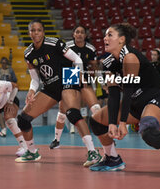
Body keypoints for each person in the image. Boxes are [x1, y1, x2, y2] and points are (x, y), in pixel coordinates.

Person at [88, 23, 160, 179]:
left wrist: (122, 123)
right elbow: (115, 95)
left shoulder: (130, 57)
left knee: (148, 130)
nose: (105, 38)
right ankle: (112, 158)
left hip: (155, 98)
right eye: (105, 35)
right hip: (135, 103)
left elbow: (128, 91)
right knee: (96, 121)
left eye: (110, 35)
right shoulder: (109, 62)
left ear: (122, 40)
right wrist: (111, 122)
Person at [15, 19, 101, 166]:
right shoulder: (28, 53)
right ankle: (32, 152)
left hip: (68, 76)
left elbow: (76, 58)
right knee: (23, 119)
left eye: (39, 30)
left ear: (43, 31)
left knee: (72, 113)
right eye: (33, 30)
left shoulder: (54, 43)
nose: (36, 33)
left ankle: (93, 152)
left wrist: (79, 74)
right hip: (50, 86)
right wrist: (31, 91)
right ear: (29, 33)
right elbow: (35, 79)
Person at [50, 25, 101, 149]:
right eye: (77, 32)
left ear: (85, 35)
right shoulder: (66, 46)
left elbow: (94, 67)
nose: (79, 34)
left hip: (83, 76)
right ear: (73, 34)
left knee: (96, 107)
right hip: (69, 74)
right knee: (62, 110)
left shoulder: (90, 48)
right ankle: (56, 139)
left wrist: (100, 82)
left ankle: (105, 135)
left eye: (82, 32)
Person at [0, 57, 18, 137]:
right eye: (3, 63)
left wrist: (11, 79)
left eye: (5, 63)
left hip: (9, 91)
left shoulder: (11, 71)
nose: (4, 64)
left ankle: (13, 127)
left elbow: (15, 81)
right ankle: (3, 128)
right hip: (0, 92)